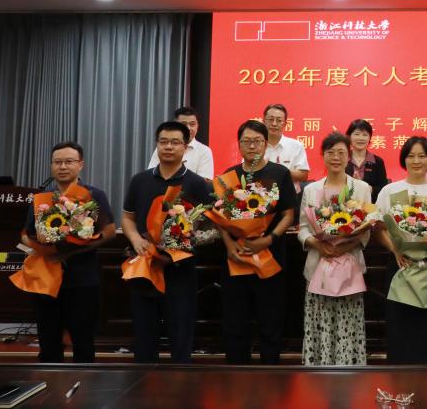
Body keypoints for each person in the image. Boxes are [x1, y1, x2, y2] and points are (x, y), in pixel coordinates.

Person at [121, 121, 212, 363]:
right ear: (157, 145)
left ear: (185, 147)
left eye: (174, 142)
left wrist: (179, 249)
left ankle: (180, 382)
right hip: (145, 266)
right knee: (144, 335)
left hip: (180, 270)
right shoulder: (140, 180)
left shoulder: (197, 183)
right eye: (163, 142)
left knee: (181, 335)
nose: (168, 147)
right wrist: (136, 239)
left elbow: (209, 226)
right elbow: (128, 218)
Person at [22, 141, 115, 363]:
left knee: (83, 342)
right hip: (46, 279)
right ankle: (49, 383)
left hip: (82, 279)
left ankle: (84, 383)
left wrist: (68, 253)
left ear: (80, 164)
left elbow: (109, 232)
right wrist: (39, 247)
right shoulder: (42, 198)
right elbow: (26, 234)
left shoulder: (94, 195)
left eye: (69, 161)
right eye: (57, 162)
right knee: (48, 342)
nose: (62, 166)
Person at [218, 119, 297, 364]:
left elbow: (288, 214)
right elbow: (220, 217)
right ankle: (236, 373)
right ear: (239, 144)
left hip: (270, 256)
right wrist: (230, 245)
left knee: (270, 320)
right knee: (235, 321)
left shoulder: (280, 173)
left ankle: (270, 373)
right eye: (246, 141)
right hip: (237, 257)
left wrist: (268, 239)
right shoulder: (229, 176)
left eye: (257, 141)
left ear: (265, 144)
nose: (252, 146)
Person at [375, 136, 427, 364]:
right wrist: (396, 251)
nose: (416, 161)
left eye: (422, 156)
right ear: (403, 159)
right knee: (401, 326)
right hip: (400, 266)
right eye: (411, 156)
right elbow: (378, 229)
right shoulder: (390, 191)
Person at [297, 132, 371, 366]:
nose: (336, 157)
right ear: (323, 155)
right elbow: (302, 229)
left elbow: (367, 230)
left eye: (341, 152)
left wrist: (345, 245)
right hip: (318, 267)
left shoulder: (361, 188)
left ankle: (350, 369)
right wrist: (319, 245)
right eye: (331, 152)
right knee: (320, 324)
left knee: (348, 323)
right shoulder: (311, 190)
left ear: (349, 156)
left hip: (350, 268)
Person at [148, 106, 214, 179]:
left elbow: (204, 182)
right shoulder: (164, 148)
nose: (188, 128)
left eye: (192, 124)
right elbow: (151, 175)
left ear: (197, 126)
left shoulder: (204, 151)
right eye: (184, 124)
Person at [262, 103, 310, 184]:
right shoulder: (256, 146)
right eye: (270, 119)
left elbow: (304, 175)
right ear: (264, 121)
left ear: (285, 124)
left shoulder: (296, 146)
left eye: (279, 120)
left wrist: (280, 171)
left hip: (289, 191)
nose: (274, 124)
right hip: (261, 191)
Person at [344, 119, 389, 197]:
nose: (361, 138)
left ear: (369, 138)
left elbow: (384, 190)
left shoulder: (378, 161)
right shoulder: (342, 159)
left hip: (371, 204)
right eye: (357, 134)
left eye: (365, 135)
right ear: (349, 137)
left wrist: (367, 188)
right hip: (344, 203)